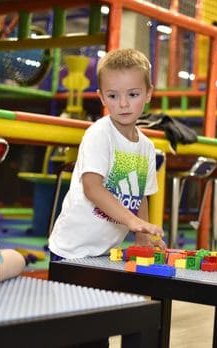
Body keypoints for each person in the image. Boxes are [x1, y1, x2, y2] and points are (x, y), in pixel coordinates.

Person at [49, 48, 165, 262]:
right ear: (102, 97)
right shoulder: (100, 134)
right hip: (72, 249)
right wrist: (131, 221)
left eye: (133, 94)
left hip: (106, 251)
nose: (123, 103)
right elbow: (92, 188)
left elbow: (141, 197)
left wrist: (142, 237)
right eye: (113, 95)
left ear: (148, 93)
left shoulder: (146, 147)